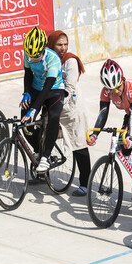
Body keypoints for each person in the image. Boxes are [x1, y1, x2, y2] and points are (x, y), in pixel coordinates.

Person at [47, 30, 91, 197]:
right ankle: (40, 167)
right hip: (52, 106)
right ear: (52, 45)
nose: (63, 48)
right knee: (37, 132)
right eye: (59, 44)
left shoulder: (70, 61)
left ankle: (85, 184)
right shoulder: (48, 59)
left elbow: (70, 86)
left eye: (65, 44)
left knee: (78, 145)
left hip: (71, 109)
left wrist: (57, 101)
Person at [20, 27, 66, 174]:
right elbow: (27, 74)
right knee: (24, 122)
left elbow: (47, 87)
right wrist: (26, 92)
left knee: (53, 118)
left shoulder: (53, 59)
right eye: (31, 56)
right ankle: (38, 150)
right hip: (36, 87)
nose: (33, 59)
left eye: (37, 56)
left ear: (44, 49)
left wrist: (34, 109)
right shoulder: (28, 53)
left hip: (53, 90)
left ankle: (45, 157)